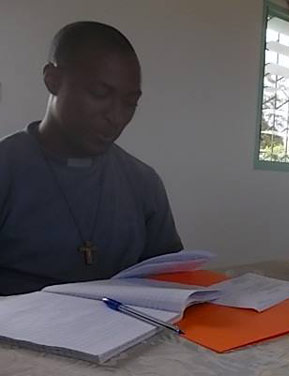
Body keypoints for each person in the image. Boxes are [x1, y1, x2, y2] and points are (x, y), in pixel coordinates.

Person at [0, 21, 182, 295]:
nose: (116, 117)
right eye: (99, 94)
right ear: (53, 80)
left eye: (130, 103)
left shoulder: (144, 183)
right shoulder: (6, 169)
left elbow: (169, 283)